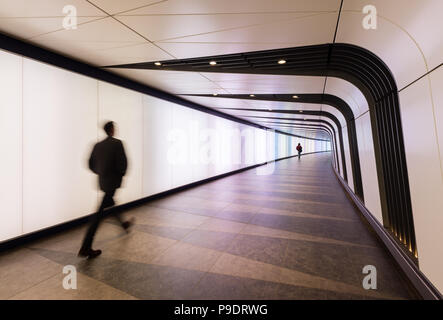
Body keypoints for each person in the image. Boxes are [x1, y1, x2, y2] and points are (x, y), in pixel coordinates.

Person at [78, 121, 134, 259]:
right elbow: (124, 164)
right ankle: (86, 246)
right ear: (112, 130)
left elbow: (90, 164)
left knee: (108, 203)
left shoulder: (97, 145)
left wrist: (101, 172)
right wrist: (120, 175)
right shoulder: (117, 143)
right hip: (113, 182)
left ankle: (124, 224)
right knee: (98, 214)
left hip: (103, 182)